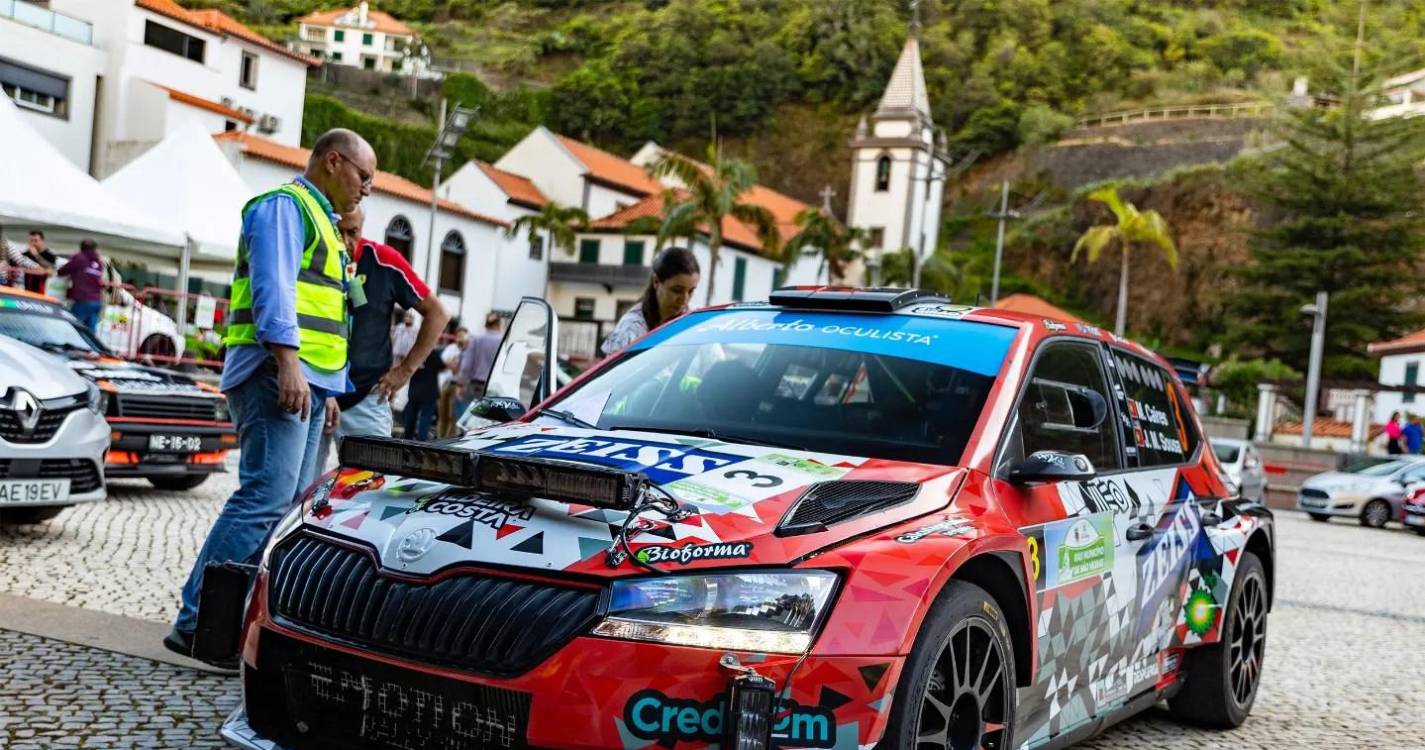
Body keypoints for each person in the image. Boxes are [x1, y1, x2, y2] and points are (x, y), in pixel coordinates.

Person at [166, 128, 376, 667]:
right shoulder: (285, 207)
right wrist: (288, 363)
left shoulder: (323, 223)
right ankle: (198, 624)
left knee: (286, 507)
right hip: (273, 373)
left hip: (309, 382)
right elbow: (273, 291)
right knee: (264, 498)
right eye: (364, 176)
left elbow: (329, 314)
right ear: (334, 161)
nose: (367, 189)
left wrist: (329, 385)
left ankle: (228, 624)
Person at [311, 205, 448, 477]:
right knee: (296, 493)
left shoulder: (382, 260)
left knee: (369, 489)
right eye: (337, 232)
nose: (345, 241)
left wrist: (404, 371)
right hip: (315, 390)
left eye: (353, 232)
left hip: (366, 395)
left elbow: (438, 313)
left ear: (362, 227)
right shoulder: (311, 254)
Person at [600, 246, 700, 357]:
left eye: (691, 291)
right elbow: (615, 373)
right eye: (676, 290)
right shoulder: (630, 330)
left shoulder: (698, 319)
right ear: (656, 281)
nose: (684, 300)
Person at [56, 239, 105, 332]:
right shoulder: (99, 262)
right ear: (95, 249)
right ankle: (90, 346)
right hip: (97, 300)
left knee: (74, 329)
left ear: (81, 248)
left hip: (83, 299)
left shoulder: (79, 258)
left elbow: (62, 271)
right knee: (89, 332)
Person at [457, 312, 504, 405]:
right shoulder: (503, 341)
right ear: (499, 324)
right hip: (494, 388)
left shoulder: (476, 339)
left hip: (475, 386)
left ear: (485, 324)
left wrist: (461, 384)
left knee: (470, 415)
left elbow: (466, 365)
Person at [403, 347, 444, 440]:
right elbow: (441, 366)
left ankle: (407, 438)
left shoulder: (413, 352)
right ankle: (421, 441)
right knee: (425, 417)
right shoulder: (432, 352)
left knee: (411, 416)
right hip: (429, 392)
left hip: (414, 390)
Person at [437, 326, 468, 437]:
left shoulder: (468, 350)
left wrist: (454, 364)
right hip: (446, 383)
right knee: (443, 415)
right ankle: (438, 442)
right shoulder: (451, 348)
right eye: (458, 335)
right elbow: (446, 362)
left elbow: (457, 368)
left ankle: (448, 445)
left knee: (453, 417)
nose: (460, 338)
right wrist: (453, 363)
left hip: (458, 386)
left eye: (462, 335)